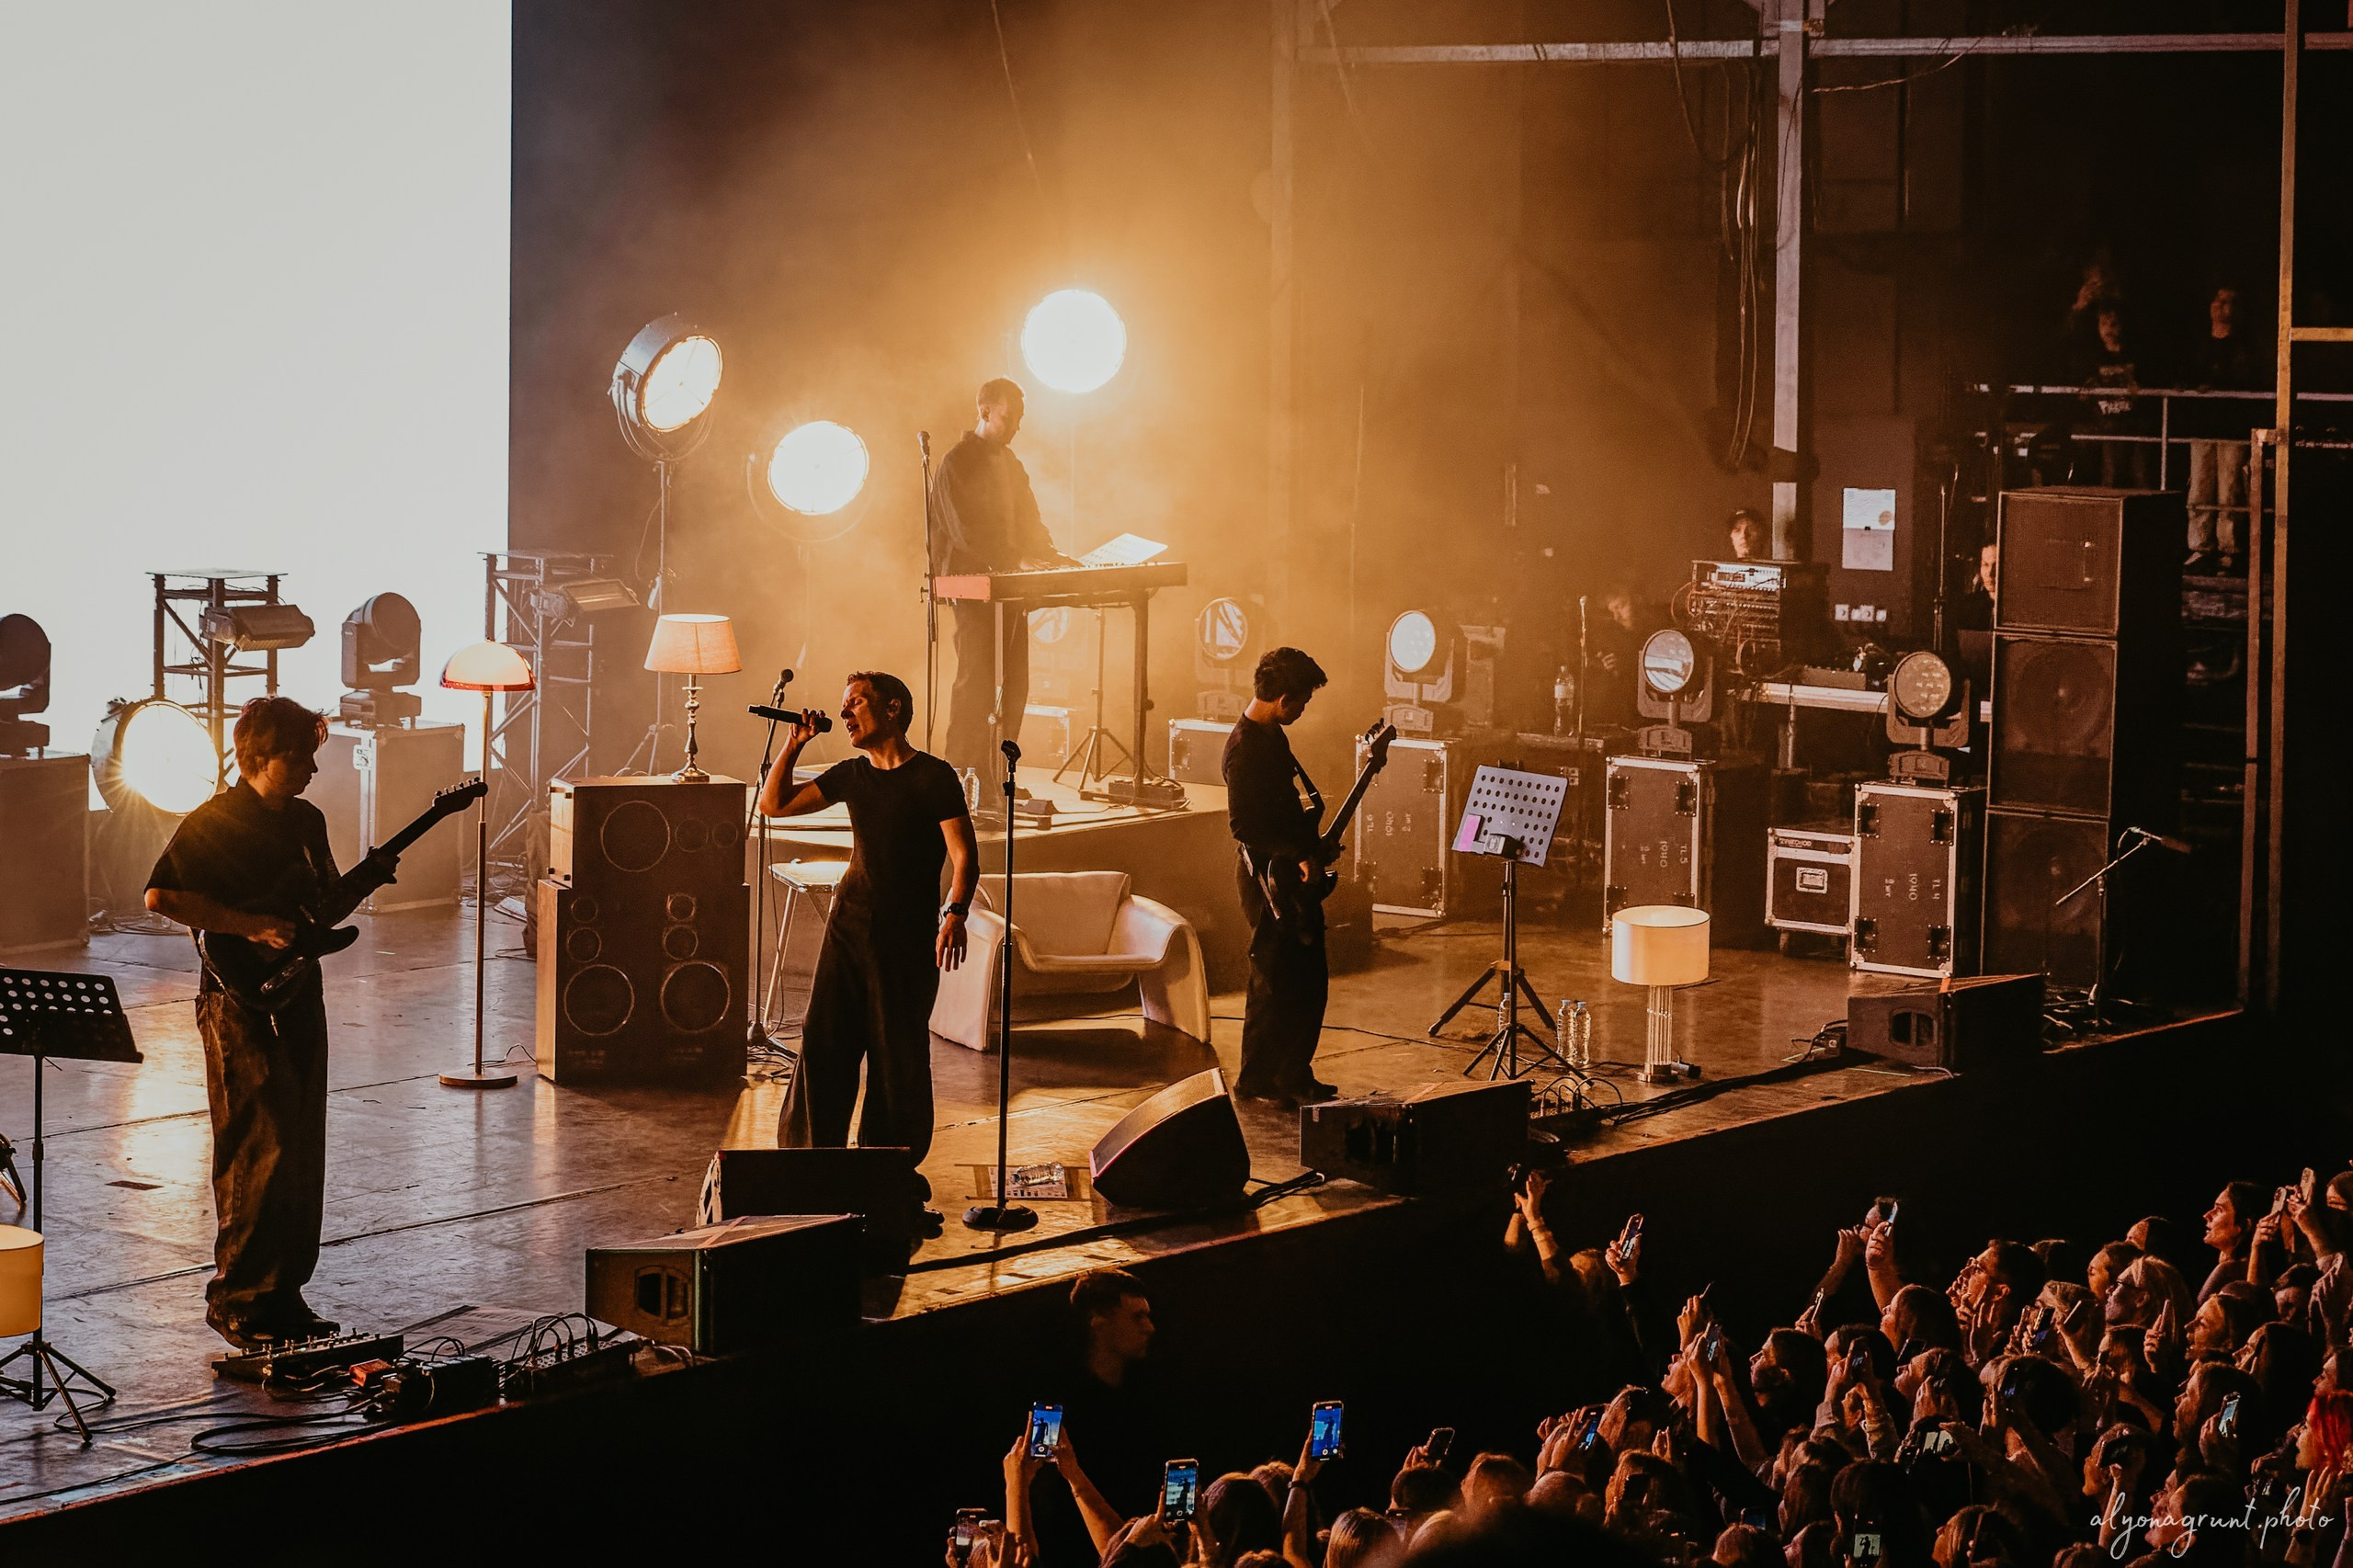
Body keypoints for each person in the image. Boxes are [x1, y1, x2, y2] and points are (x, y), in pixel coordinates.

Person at [146, 696, 391, 1348]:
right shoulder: (213, 821)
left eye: (312, 755)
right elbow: (161, 895)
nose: (311, 767)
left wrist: (366, 882)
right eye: (298, 756)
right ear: (257, 756)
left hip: (298, 990)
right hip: (235, 997)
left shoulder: (306, 821)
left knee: (302, 1135)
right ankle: (238, 1296)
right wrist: (249, 924)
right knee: (258, 1139)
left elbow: (324, 906)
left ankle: (284, 1292)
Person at [758, 671, 977, 1221]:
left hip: (903, 940)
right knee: (824, 1042)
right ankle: (814, 1166)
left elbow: (964, 855)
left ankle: (885, 1171)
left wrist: (954, 913)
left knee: (895, 1054)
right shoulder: (851, 775)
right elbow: (774, 806)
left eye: (856, 702)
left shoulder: (933, 777)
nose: (846, 713)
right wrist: (794, 743)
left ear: (894, 708)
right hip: (848, 928)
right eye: (843, 705)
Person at [929, 377, 1078, 782]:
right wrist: (1017, 559)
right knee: (976, 681)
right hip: (973, 588)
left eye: (1021, 419)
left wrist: (1051, 556)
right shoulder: (957, 462)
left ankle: (997, 775)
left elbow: (1031, 520)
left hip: (1010, 587)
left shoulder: (1010, 464)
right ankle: (959, 776)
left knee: (1015, 684)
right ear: (985, 411)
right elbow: (965, 533)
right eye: (1011, 418)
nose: (1017, 427)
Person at [1222, 646, 1335, 1108]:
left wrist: (1310, 846)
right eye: (1303, 702)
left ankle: (1290, 1074)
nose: (1304, 710)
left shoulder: (1271, 737)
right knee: (1273, 979)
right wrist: (1296, 852)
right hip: (1266, 878)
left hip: (1285, 870)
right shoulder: (1246, 750)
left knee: (1303, 979)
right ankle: (1257, 1079)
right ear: (1282, 698)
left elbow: (1282, 811)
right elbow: (1244, 826)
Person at [2186, 285, 2263, 572]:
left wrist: (2216, 386)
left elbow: (2247, 379)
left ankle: (2229, 549)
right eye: (2217, 299)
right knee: (2200, 490)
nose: (2221, 306)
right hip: (2202, 426)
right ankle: (2200, 547)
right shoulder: (2199, 344)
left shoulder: (2243, 346)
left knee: (2230, 491)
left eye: (2229, 301)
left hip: (2231, 427)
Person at [2073, 303, 2155, 489]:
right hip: (2108, 425)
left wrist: (2140, 388)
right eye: (2104, 324)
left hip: (2136, 424)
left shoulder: (2136, 355)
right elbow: (2082, 393)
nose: (2109, 329)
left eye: (2114, 324)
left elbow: (2150, 387)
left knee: (2140, 474)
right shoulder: (2093, 358)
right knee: (2110, 474)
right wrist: (2087, 391)